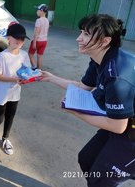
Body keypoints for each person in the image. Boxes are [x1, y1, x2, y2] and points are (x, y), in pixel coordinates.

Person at [41, 14, 135, 187]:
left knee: (99, 180)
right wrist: (49, 77)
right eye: (81, 32)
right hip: (121, 120)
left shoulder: (116, 78)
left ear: (105, 41)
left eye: (85, 34)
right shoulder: (99, 59)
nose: (78, 38)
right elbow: (82, 86)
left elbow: (117, 126)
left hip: (129, 135)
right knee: (86, 160)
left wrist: (76, 111)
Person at [0, 23, 31, 156]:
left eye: (22, 39)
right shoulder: (2, 56)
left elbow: (27, 71)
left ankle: (5, 139)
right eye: (16, 38)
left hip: (15, 93)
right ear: (8, 38)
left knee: (10, 117)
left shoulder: (24, 55)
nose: (19, 41)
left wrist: (27, 78)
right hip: (2, 94)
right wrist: (14, 79)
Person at [28, 4, 49, 70]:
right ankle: (39, 70)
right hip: (44, 41)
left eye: (38, 10)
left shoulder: (38, 20)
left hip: (37, 41)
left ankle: (34, 67)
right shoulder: (47, 20)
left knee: (30, 54)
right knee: (40, 56)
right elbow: (46, 31)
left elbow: (37, 33)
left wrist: (34, 42)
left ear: (42, 11)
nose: (36, 11)